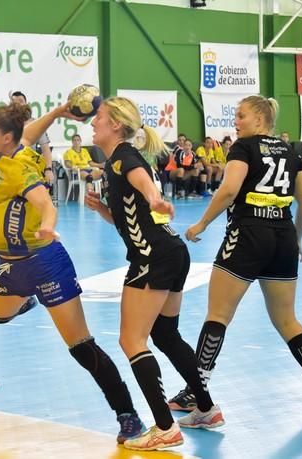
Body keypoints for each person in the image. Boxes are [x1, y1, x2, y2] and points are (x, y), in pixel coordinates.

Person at [0, 101, 147, 445]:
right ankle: (25, 301)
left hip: (45, 261)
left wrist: (49, 226)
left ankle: (128, 416)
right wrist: (56, 113)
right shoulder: (9, 153)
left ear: (5, 137)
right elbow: (29, 133)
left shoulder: (18, 168)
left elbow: (46, 204)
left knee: (81, 345)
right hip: (10, 265)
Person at [167, 96, 302, 413]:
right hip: (283, 236)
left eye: (240, 115)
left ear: (259, 119)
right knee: (287, 320)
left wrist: (202, 223)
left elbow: (229, 190)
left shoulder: (243, 147)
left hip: (247, 235)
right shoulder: (291, 149)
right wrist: (296, 239)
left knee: (218, 315)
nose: (236, 121)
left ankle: (195, 390)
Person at [85, 96, 224, 451]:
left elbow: (143, 183)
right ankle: (206, 409)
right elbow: (128, 216)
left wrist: (155, 198)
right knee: (165, 334)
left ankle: (164, 427)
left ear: (116, 124)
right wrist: (102, 208)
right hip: (171, 251)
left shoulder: (124, 158)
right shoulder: (117, 162)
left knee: (131, 340)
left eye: (98, 117)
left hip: (152, 256)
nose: (92, 122)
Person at [9, 91, 55, 184]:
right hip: (11, 170)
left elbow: (46, 149)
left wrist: (48, 169)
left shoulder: (36, 124)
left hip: (31, 170)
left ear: (26, 105)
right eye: (14, 102)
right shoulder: (6, 124)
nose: (18, 104)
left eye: (20, 101)